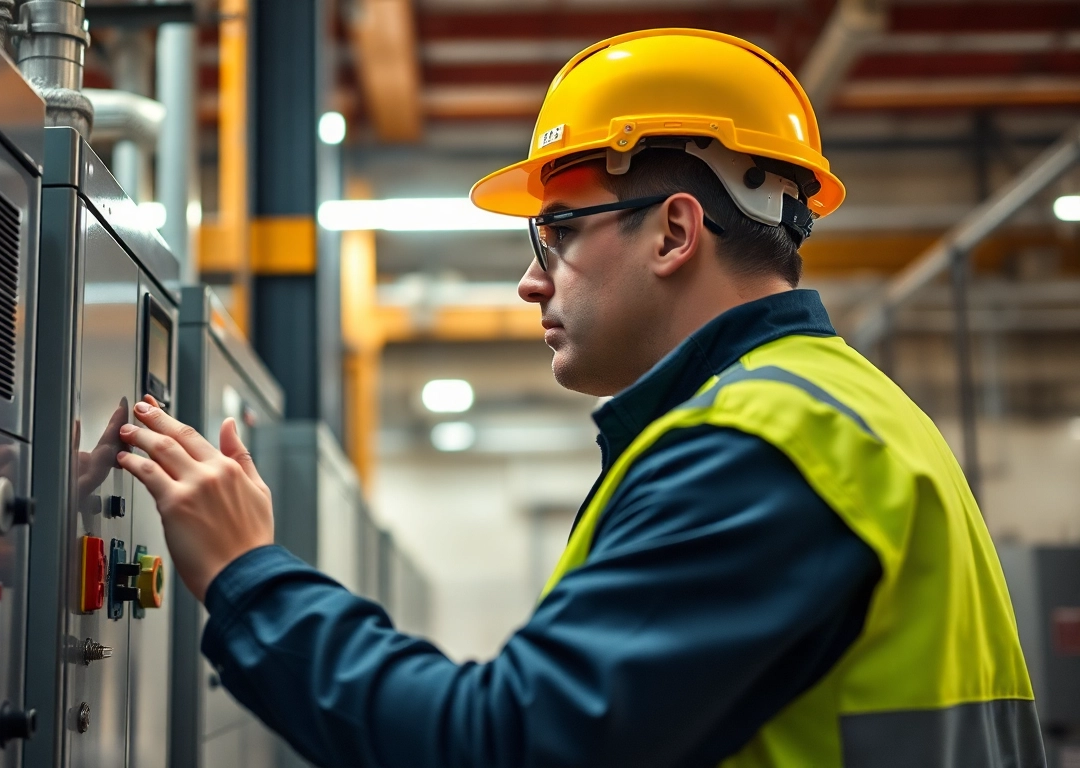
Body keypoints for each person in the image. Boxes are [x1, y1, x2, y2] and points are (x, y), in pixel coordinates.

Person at [116, 29, 1044, 767]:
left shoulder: (763, 444)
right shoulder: (855, 418)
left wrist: (248, 577)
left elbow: (501, 744)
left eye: (557, 230)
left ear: (676, 231)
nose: (531, 280)